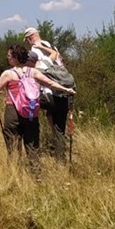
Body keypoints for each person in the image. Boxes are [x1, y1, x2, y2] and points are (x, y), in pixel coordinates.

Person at [0, 44, 72, 169]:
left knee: (13, 142)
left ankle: (14, 172)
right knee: (32, 142)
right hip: (31, 110)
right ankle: (35, 172)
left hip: (13, 110)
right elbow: (50, 83)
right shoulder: (33, 72)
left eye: (9, 56)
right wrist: (66, 89)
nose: (8, 58)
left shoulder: (8, 74)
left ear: (15, 57)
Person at [24, 27, 68, 160]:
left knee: (33, 115)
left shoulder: (35, 50)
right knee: (59, 127)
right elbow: (57, 58)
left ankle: (41, 151)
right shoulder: (50, 44)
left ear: (30, 37)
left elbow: (39, 70)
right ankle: (61, 156)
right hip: (62, 90)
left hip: (48, 92)